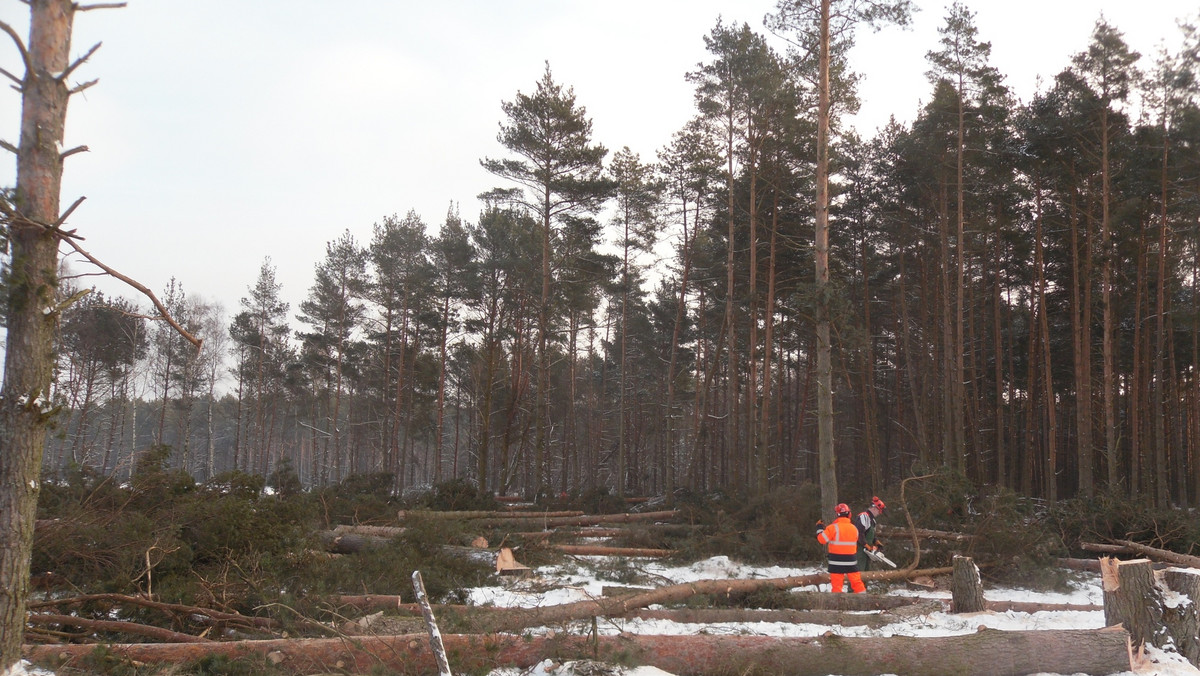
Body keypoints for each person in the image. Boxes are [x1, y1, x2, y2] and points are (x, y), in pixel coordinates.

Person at [815, 503, 865, 593]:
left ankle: (838, 604)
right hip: (851, 561)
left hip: (836, 561)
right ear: (849, 514)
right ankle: (865, 601)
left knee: (837, 586)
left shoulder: (832, 528)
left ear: (837, 514)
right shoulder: (854, 528)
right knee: (857, 583)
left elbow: (821, 540)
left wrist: (819, 528)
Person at [855, 496, 886, 572]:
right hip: (859, 550)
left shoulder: (873, 521)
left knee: (866, 572)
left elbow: (872, 535)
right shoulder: (863, 517)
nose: (879, 513)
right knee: (858, 573)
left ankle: (865, 584)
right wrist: (866, 545)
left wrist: (877, 543)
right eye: (879, 511)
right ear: (874, 508)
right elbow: (859, 534)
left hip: (867, 552)